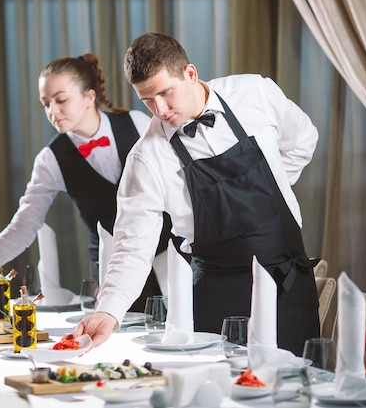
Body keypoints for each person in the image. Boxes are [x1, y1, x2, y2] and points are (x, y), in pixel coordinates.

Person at [73, 32, 320, 356]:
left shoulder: (255, 93)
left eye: (165, 93)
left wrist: (270, 194)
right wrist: (109, 310)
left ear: (190, 74)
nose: (160, 109)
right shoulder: (146, 158)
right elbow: (132, 246)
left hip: (286, 287)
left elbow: (303, 140)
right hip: (218, 300)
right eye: (147, 100)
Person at [0, 53, 168, 312]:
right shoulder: (50, 160)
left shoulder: (137, 123)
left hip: (168, 258)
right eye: (45, 103)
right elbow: (23, 226)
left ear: (89, 97)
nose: (52, 112)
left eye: (61, 100)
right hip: (114, 270)